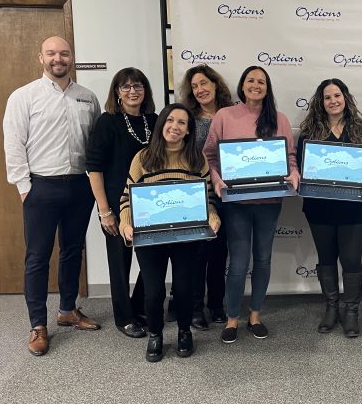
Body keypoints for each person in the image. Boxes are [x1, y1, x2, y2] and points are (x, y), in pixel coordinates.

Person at [3, 35, 102, 357]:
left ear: (71, 57)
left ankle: (67, 310)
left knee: (73, 250)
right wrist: (24, 187)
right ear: (41, 58)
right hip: (41, 187)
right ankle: (37, 325)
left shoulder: (88, 98)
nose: (58, 58)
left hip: (79, 186)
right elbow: (13, 144)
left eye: (64, 53)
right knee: (37, 257)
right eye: (51, 53)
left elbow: (95, 144)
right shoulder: (24, 97)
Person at [204, 66, 300, 344]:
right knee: (238, 262)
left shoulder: (279, 119)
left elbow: (290, 157)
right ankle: (233, 318)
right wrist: (216, 179)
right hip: (236, 202)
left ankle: (255, 315)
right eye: (250, 80)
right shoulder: (224, 116)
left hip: (270, 200)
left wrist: (294, 173)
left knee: (263, 259)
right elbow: (209, 156)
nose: (255, 85)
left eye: (261, 81)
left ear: (267, 88)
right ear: (242, 85)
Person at [118, 103, 221, 362]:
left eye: (182, 123)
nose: (175, 127)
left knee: (184, 289)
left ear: (188, 130)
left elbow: (207, 198)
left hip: (187, 236)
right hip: (150, 237)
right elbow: (126, 199)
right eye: (170, 120)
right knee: (154, 291)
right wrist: (126, 224)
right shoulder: (142, 158)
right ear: (161, 124)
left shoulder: (197, 159)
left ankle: (185, 332)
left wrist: (213, 217)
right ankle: (155, 334)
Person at [297, 78, 362, 337]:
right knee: (326, 259)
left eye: (337, 95)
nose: (333, 101)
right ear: (320, 102)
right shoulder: (309, 133)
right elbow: (301, 165)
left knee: (351, 260)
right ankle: (331, 307)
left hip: (353, 208)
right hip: (319, 207)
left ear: (345, 97)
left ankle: (351, 310)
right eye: (327, 97)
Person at [85, 68, 156, 338]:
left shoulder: (154, 120)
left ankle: (138, 307)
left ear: (145, 90)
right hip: (116, 205)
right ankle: (124, 317)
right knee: (120, 263)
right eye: (125, 86)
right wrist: (104, 211)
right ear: (117, 92)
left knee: (152, 260)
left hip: (151, 204)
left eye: (138, 85)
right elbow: (94, 168)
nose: (132, 91)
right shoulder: (108, 122)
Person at [178, 65, 234, 329]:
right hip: (198, 195)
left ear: (215, 84)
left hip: (228, 194)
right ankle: (195, 307)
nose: (199, 90)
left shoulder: (232, 113)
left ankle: (216, 303)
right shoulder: (188, 118)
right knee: (198, 253)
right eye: (194, 86)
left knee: (220, 252)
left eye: (203, 83)